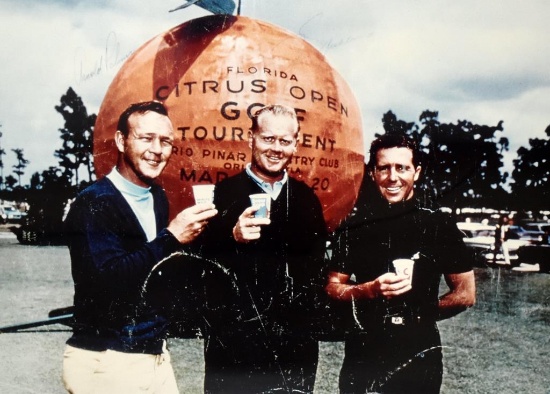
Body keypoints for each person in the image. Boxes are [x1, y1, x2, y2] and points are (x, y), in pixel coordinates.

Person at [62, 101, 218, 393]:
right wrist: (171, 237)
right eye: (146, 138)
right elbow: (107, 281)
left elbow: (150, 270)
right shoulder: (95, 202)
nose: (157, 149)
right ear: (122, 141)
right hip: (107, 359)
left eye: (165, 141)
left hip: (154, 355)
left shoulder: (157, 196)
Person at [327, 133, 476, 394]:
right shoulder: (354, 226)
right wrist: (368, 290)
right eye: (384, 168)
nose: (392, 177)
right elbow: (332, 286)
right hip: (364, 349)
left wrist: (419, 314)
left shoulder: (438, 224)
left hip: (419, 350)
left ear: (416, 172)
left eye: (402, 168)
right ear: (372, 173)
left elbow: (465, 295)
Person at [198, 104, 328, 393]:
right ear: (251, 138)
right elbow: (197, 266)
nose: (276, 148)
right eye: (268, 138)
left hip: (295, 349)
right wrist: (229, 236)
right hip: (234, 349)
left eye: (284, 141)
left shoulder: (307, 199)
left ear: (296, 144)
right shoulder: (221, 195)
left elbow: (318, 271)